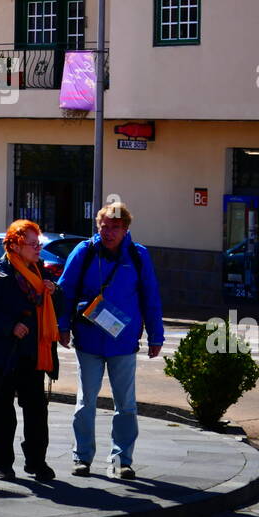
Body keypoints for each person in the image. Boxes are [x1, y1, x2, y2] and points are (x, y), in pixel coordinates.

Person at [57, 203, 164, 479]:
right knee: (85, 402)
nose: (109, 232)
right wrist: (62, 325)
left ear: (126, 229)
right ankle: (82, 458)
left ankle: (121, 460)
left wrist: (156, 334)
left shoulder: (138, 256)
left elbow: (150, 298)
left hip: (123, 342)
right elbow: (66, 291)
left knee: (126, 405)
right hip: (89, 340)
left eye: (115, 227)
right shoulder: (84, 252)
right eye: (104, 226)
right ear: (97, 226)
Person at [0, 220, 62, 482]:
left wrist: (55, 292)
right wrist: (10, 326)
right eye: (32, 244)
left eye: (39, 244)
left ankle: (37, 463)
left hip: (33, 355)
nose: (38, 249)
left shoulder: (43, 276)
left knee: (36, 410)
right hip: (2, 356)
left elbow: (59, 308)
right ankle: (2, 463)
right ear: (15, 246)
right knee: (2, 411)